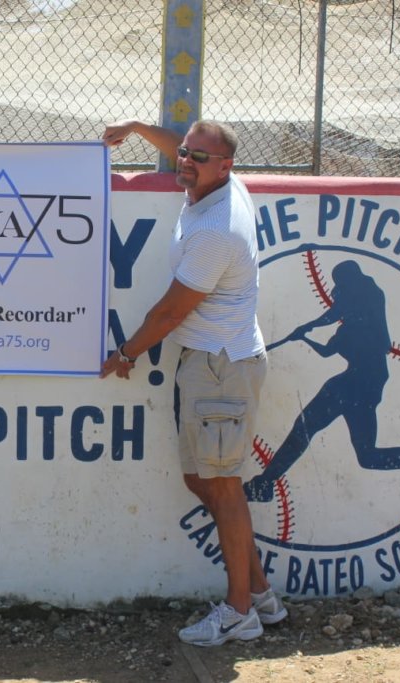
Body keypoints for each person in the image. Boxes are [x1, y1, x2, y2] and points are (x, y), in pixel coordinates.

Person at [100, 119, 286, 647]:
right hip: (211, 365)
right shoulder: (223, 184)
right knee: (203, 482)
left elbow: (169, 313)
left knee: (222, 489)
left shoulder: (215, 229)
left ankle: (239, 612)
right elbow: (188, 147)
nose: (185, 161)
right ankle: (261, 596)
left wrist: (124, 354)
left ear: (224, 166)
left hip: (220, 368)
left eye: (198, 158)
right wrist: (140, 130)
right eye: (183, 154)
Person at [245, 260, 400, 503]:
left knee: (304, 428)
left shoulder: (360, 312)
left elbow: (332, 321)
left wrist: (305, 330)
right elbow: (333, 327)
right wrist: (306, 333)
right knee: (367, 456)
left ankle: (264, 483)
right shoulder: (363, 312)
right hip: (368, 385)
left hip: (353, 384)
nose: (337, 292)